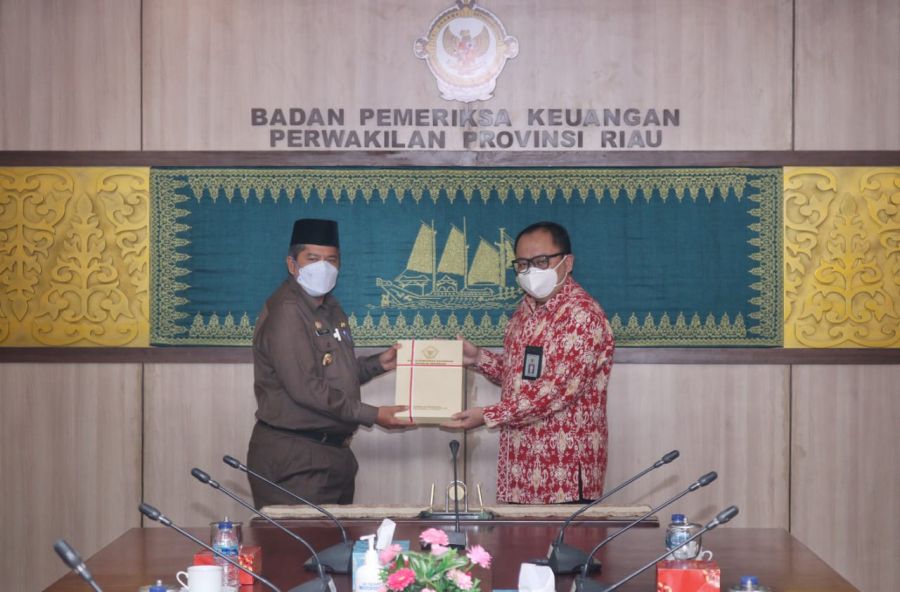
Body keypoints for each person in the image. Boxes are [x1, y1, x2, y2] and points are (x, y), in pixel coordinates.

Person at [444, 221, 615, 504]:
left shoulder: (582, 315)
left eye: (541, 261)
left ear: (567, 262)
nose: (531, 271)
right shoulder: (523, 312)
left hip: (563, 474)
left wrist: (488, 414)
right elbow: (522, 377)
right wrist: (478, 358)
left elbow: (555, 391)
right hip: (519, 470)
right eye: (523, 264)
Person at [247, 218, 412, 508]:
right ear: (292, 264)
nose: (323, 267)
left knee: (333, 538)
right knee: (301, 539)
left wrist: (378, 364)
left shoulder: (329, 307)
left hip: (331, 456)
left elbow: (332, 371)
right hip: (297, 459)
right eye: (313, 259)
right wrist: (373, 415)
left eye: (331, 260)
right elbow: (306, 388)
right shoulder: (287, 312)